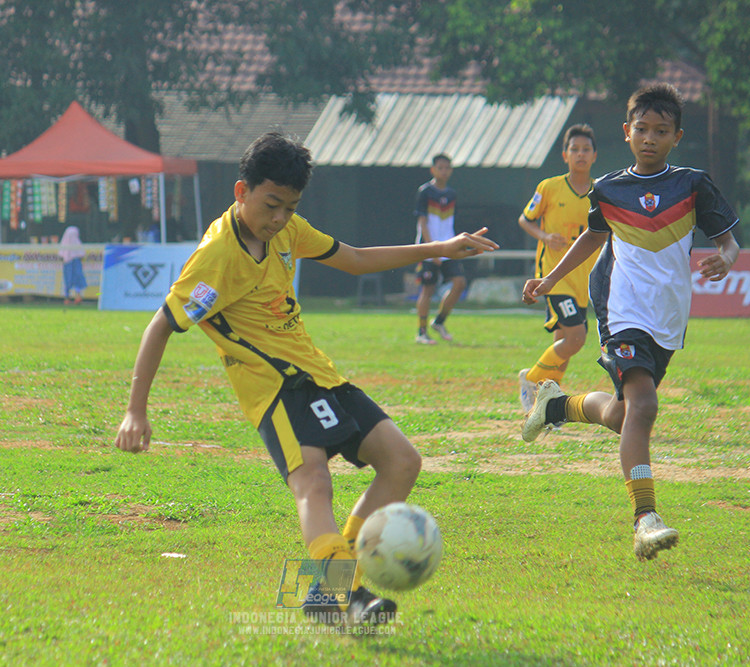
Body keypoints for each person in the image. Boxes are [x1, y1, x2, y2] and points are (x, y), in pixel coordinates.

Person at [113, 131, 498, 625]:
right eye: (271, 205)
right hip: (275, 390)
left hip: (321, 374)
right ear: (241, 191)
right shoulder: (216, 258)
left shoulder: (288, 231)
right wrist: (135, 410)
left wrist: (441, 247)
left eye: (290, 208)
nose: (279, 219)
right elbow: (161, 325)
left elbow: (354, 259)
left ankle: (327, 586)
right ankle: (347, 596)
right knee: (314, 484)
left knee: (402, 462)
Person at [521, 84, 739, 562]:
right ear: (626, 132)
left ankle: (555, 406)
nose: (649, 138)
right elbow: (591, 239)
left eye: (661, 131)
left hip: (668, 316)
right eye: (642, 129)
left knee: (624, 416)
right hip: (621, 308)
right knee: (644, 406)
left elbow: (729, 242)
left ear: (676, 136)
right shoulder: (610, 188)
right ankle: (645, 519)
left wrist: (726, 258)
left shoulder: (693, 184)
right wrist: (549, 277)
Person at [516, 125, 599, 412]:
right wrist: (544, 236)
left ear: (594, 156)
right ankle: (531, 379)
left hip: (583, 281)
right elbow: (525, 219)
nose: (580, 154)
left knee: (563, 343)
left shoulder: (600, 192)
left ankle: (547, 404)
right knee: (576, 339)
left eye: (585, 150)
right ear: (565, 155)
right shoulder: (548, 187)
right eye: (574, 149)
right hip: (554, 277)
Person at [413, 153, 468, 344]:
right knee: (427, 289)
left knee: (459, 282)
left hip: (448, 246)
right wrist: (431, 248)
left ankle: (439, 321)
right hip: (429, 247)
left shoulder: (452, 194)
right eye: (440, 167)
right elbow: (422, 221)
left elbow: (451, 223)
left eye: (447, 168)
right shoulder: (425, 192)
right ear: (433, 170)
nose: (444, 171)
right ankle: (421, 332)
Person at [58, 225, 87, 304]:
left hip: (75, 262)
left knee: (77, 279)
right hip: (68, 263)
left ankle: (77, 296)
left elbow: (81, 254)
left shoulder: (76, 244)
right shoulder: (65, 244)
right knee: (68, 280)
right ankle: (67, 297)